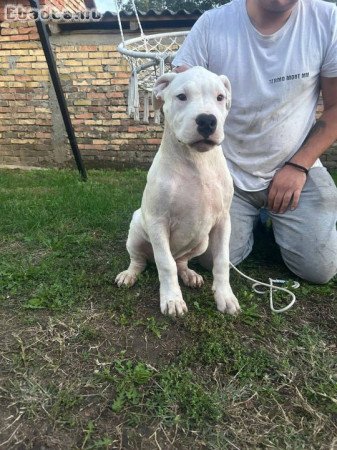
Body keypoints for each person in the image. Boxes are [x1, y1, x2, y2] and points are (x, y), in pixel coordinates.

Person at [172, 0, 337, 283]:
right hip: (228, 170)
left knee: (320, 269)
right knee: (210, 258)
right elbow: (181, 93)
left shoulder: (328, 19)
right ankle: (254, 219)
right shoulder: (212, 24)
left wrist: (299, 166)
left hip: (296, 166)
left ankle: (284, 221)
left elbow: (335, 108)